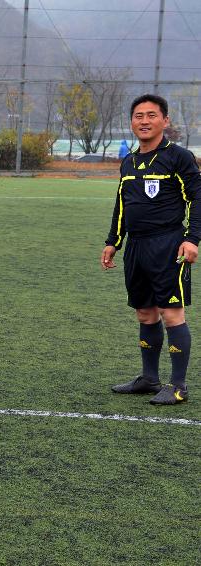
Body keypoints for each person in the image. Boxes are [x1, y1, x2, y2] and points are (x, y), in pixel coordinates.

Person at [102, 93, 201, 405]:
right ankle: (148, 378)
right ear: (132, 122)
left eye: (151, 115)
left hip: (169, 244)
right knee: (145, 312)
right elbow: (122, 204)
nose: (144, 121)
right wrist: (113, 242)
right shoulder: (128, 162)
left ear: (165, 121)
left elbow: (198, 198)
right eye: (138, 116)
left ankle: (178, 386)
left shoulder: (179, 157)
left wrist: (192, 239)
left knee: (171, 313)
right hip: (136, 247)